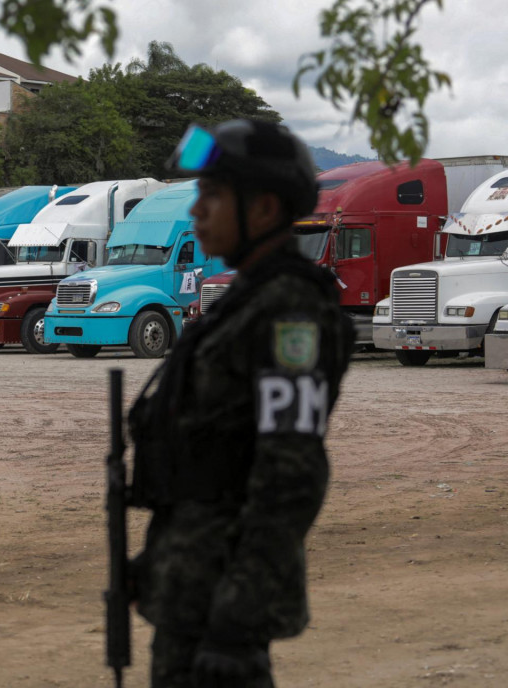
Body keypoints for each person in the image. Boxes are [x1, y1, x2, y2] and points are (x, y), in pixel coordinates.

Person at [127, 119, 354, 688]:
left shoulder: (289, 308)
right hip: (191, 584)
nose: (197, 212)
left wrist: (240, 616)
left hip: (227, 600)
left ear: (262, 209)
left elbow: (291, 473)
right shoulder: (243, 299)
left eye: (213, 196)